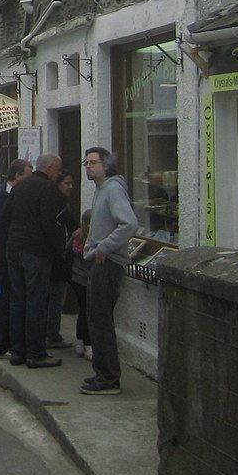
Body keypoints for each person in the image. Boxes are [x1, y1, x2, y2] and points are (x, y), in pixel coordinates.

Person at [80, 147, 137, 396]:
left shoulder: (113, 189)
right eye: (86, 163)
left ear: (106, 165)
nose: (88, 167)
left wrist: (104, 247)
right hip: (98, 261)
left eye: (92, 162)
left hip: (107, 264)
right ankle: (102, 372)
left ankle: (109, 378)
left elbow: (129, 223)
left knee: (101, 320)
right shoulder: (102, 189)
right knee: (97, 319)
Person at [1, 153, 67, 369]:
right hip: (35, 251)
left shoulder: (20, 186)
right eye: (58, 170)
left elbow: (5, 217)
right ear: (49, 169)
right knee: (36, 301)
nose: (58, 174)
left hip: (14, 248)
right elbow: (49, 222)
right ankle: (36, 353)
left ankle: (18, 351)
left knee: (18, 300)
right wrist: (58, 249)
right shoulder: (47, 188)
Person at [0, 158, 32, 358]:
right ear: (17, 176)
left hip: (5, 251)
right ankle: (3, 344)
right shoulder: (7, 197)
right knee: (8, 298)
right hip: (5, 253)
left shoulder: (5, 193)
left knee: (9, 298)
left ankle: (6, 342)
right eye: (27, 176)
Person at [48, 172, 80, 350]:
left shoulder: (60, 205)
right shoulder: (57, 208)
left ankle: (52, 334)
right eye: (67, 183)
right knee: (55, 299)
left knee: (55, 299)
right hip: (57, 260)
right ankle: (51, 335)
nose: (70, 187)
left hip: (59, 260)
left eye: (72, 184)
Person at [70, 209, 93, 361]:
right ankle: (89, 345)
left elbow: (67, 251)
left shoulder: (76, 235)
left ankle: (80, 342)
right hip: (88, 280)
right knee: (88, 312)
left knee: (82, 310)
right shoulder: (93, 239)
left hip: (76, 278)